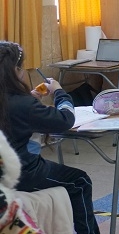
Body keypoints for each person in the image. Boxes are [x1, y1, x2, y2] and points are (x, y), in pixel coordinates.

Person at [0, 41, 99, 234]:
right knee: (81, 181)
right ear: (15, 70)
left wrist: (29, 100)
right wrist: (60, 93)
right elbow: (66, 119)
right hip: (22, 174)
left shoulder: (16, 103)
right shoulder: (23, 105)